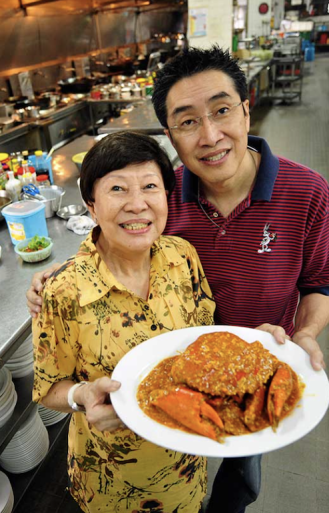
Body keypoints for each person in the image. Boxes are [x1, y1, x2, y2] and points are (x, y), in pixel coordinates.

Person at [27, 45, 329, 513]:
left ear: (245, 108)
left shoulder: (308, 192)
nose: (211, 135)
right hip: (160, 402)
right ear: (171, 133)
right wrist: (57, 278)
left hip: (259, 365)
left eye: (221, 110)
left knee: (242, 468)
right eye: (188, 121)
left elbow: (322, 283)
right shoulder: (164, 198)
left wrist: (304, 335)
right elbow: (121, 234)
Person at [33, 131, 216, 512]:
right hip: (109, 481)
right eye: (118, 189)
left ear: (167, 196)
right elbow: (49, 387)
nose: (138, 205)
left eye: (151, 187)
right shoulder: (63, 289)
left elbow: (203, 340)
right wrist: (80, 397)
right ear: (92, 206)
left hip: (185, 462)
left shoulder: (183, 257)